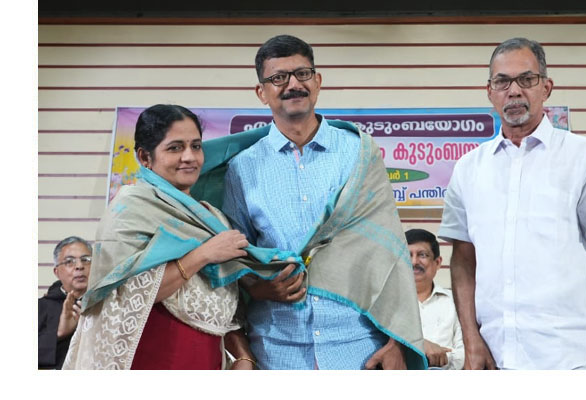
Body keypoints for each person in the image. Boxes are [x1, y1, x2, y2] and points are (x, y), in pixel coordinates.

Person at [192, 34, 426, 369]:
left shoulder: (358, 151)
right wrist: (257, 288)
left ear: (317, 82)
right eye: (278, 78)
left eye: (302, 74)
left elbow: (387, 251)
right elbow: (234, 253)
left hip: (358, 345)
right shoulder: (243, 167)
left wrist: (396, 341)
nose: (292, 85)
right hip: (275, 348)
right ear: (262, 93)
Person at [438, 37, 586, 369]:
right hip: (494, 357)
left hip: (568, 357)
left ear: (546, 87)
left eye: (526, 79)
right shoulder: (468, 168)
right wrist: (471, 341)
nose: (514, 91)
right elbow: (463, 262)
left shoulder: (584, 156)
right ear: (489, 91)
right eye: (502, 81)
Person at [62, 104, 255, 370]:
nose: (189, 157)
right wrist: (204, 254)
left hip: (207, 361)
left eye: (196, 146)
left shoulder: (213, 217)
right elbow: (124, 294)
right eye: (175, 148)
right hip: (151, 356)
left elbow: (228, 303)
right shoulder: (129, 210)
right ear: (144, 157)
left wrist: (244, 356)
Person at [406, 229, 464, 369]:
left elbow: (464, 353)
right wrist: (423, 347)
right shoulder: (387, 304)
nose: (414, 261)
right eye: (408, 255)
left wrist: (442, 357)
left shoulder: (456, 302)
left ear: (437, 263)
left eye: (422, 255)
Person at [38, 236, 92, 369]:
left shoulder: (110, 304)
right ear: (57, 272)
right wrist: (59, 333)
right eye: (69, 262)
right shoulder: (39, 307)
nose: (79, 266)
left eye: (86, 260)